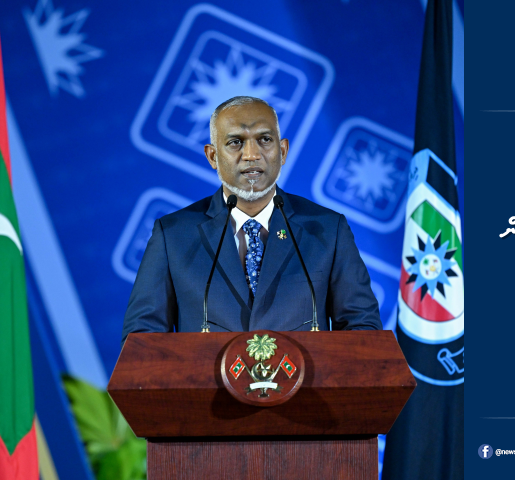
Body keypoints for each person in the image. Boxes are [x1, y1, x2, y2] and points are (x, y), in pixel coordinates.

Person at [122, 96, 381, 343]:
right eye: (236, 142)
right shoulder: (172, 235)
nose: (251, 154)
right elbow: (142, 341)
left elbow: (363, 330)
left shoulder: (328, 229)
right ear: (212, 156)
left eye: (264, 140)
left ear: (283, 151)